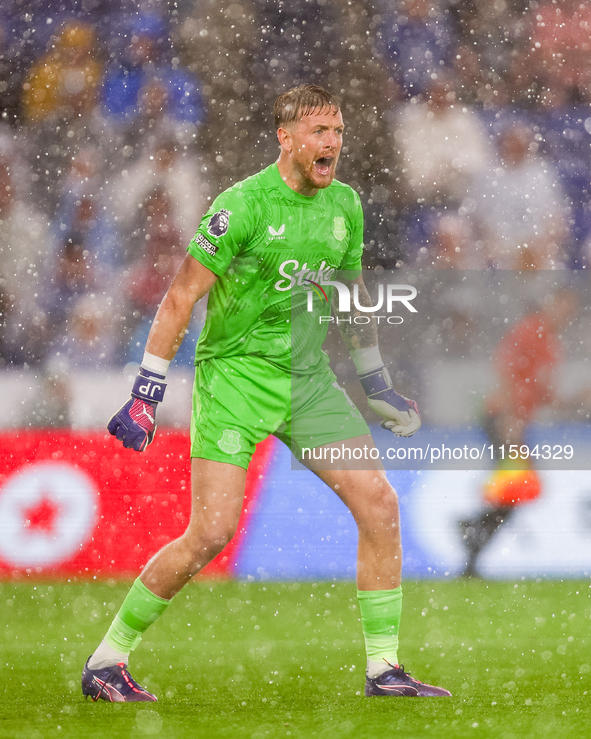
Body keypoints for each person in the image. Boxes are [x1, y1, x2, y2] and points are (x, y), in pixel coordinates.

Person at [81, 84, 451, 702]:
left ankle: (384, 670)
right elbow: (180, 298)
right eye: (318, 132)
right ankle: (106, 663)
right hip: (235, 380)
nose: (331, 143)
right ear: (286, 138)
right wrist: (147, 391)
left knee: (380, 505)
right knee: (210, 534)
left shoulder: (346, 206)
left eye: (337, 131)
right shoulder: (243, 206)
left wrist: (377, 383)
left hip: (308, 383)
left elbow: (354, 299)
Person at [459, 289, 579, 577]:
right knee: (518, 487)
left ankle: (472, 532)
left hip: (513, 420)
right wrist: (511, 414)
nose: (567, 315)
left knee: (515, 489)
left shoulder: (551, 344)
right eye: (564, 307)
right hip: (503, 417)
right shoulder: (531, 332)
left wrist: (576, 399)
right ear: (551, 304)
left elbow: (542, 393)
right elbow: (507, 369)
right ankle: (472, 534)